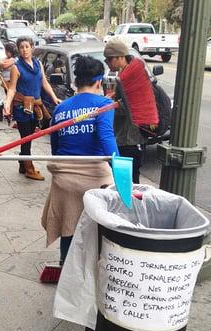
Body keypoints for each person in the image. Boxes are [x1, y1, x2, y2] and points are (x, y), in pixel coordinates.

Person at [41, 56, 119, 268]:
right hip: (95, 180)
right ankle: (95, 266)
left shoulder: (61, 108)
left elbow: (55, 146)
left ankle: (66, 265)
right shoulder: (103, 105)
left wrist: (62, 172)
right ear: (98, 82)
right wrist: (121, 171)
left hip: (64, 180)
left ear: (76, 82)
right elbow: (106, 137)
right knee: (99, 227)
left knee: (69, 225)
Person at [3, 36, 61, 181]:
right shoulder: (16, 67)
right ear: (18, 49)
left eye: (27, 47)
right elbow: (12, 89)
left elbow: (44, 83)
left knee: (29, 137)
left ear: (32, 48)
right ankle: (29, 168)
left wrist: (54, 97)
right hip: (22, 108)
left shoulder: (38, 63)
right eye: (21, 47)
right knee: (26, 138)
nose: (24, 50)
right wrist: (7, 103)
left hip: (36, 106)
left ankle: (23, 164)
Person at [103, 39, 147, 183]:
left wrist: (111, 105)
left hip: (130, 138)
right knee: (126, 179)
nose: (108, 63)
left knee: (128, 182)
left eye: (109, 60)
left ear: (120, 57)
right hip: (127, 136)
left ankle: (131, 205)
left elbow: (130, 107)